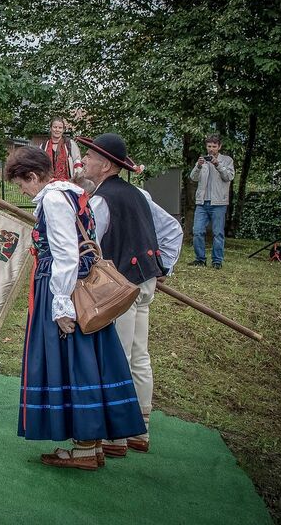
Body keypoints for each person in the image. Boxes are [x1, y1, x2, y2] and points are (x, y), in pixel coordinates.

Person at [6, 145, 145, 471]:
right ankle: (90, 443)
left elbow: (66, 254)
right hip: (76, 288)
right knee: (85, 364)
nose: (22, 190)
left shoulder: (54, 200)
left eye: (21, 183)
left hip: (66, 290)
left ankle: (84, 447)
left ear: (33, 175)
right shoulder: (71, 194)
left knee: (72, 363)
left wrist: (61, 304)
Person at [77, 133, 183, 458]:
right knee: (139, 355)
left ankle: (118, 436)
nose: (84, 160)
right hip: (143, 283)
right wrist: (162, 266)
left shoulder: (101, 202)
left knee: (117, 356)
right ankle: (140, 429)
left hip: (118, 289)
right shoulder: (140, 194)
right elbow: (173, 230)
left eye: (90, 156)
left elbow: (89, 245)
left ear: (106, 165)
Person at [189, 133, 235, 268]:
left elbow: (229, 177)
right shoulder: (202, 160)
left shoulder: (227, 160)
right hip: (202, 203)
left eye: (214, 146)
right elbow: (193, 178)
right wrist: (198, 166)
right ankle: (200, 259)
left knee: (218, 233)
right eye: (209, 146)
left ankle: (217, 261)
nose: (211, 149)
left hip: (219, 203)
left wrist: (217, 164)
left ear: (219, 147)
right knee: (197, 231)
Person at [38, 116, 83, 182]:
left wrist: (76, 179)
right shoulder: (43, 146)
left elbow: (77, 161)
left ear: (63, 130)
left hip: (67, 183)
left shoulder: (70, 144)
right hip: (48, 183)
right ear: (50, 128)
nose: (57, 130)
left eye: (60, 128)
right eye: (55, 127)